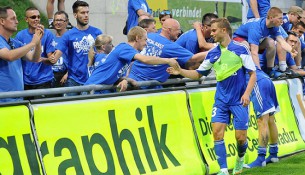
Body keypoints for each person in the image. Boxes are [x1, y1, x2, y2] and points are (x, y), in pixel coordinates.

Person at [167, 18, 257, 175]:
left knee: (241, 138)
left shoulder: (240, 50)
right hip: (221, 100)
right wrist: (181, 72)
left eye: (214, 30)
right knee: (217, 133)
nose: (211, 33)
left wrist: (247, 93)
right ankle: (223, 169)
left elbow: (253, 74)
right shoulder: (213, 53)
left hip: (239, 100)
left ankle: (240, 158)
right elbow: (197, 74)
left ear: (224, 30)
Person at [84, 26, 179, 93]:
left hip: (99, 90)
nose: (146, 44)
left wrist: (127, 79)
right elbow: (146, 60)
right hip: (92, 90)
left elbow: (112, 73)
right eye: (145, 40)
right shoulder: (124, 48)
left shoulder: (126, 51)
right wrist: (167, 60)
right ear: (137, 38)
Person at [127, 18, 207, 89]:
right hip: (145, 87)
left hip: (131, 80)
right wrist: (214, 51)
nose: (179, 32)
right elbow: (194, 58)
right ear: (169, 30)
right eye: (178, 30)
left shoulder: (149, 36)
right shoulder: (170, 47)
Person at [50, 0, 103, 96]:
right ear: (75, 15)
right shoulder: (68, 35)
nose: (86, 15)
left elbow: (106, 54)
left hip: (91, 79)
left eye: (87, 12)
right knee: (69, 108)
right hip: (73, 80)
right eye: (82, 13)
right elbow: (55, 57)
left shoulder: (97, 33)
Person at [233, 7, 296, 79]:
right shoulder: (256, 28)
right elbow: (254, 52)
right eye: (280, 18)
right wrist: (258, 72)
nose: (282, 21)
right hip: (238, 40)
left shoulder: (274, 26)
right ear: (271, 18)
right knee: (246, 46)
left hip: (251, 41)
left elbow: (282, 42)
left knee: (271, 42)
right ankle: (254, 72)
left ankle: (270, 71)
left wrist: (292, 51)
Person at [0, 6, 43, 102]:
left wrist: (38, 40)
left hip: (18, 98)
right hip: (3, 100)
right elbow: (9, 56)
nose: (17, 22)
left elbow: (34, 58)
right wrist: (32, 43)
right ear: (2, 21)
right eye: (13, 18)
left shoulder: (15, 42)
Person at [16, 7, 55, 99]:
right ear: (26, 19)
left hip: (43, 79)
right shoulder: (20, 36)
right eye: (33, 17)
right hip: (26, 80)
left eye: (38, 17)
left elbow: (51, 59)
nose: (37, 19)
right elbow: (18, 57)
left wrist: (46, 59)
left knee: (40, 110)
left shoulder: (48, 34)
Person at [51, 10, 69, 88]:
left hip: (65, 75)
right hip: (51, 75)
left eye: (61, 20)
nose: (58, 22)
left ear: (67, 22)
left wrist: (67, 74)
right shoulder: (50, 38)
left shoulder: (71, 38)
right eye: (56, 20)